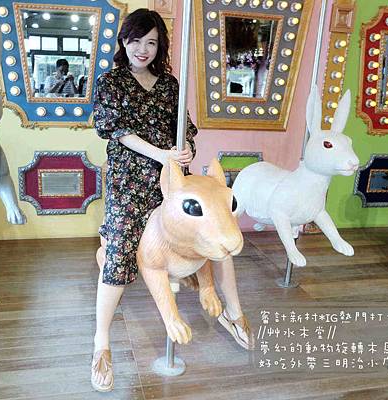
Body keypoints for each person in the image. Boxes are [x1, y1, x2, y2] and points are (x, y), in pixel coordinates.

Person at [91, 8, 253, 392]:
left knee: (215, 234)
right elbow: (118, 132)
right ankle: (101, 343)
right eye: (136, 40)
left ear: (160, 45)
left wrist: (184, 151)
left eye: (151, 42)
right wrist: (162, 154)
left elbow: (185, 131)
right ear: (123, 41)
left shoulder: (169, 84)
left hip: (173, 180)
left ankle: (234, 312)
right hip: (131, 183)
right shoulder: (111, 82)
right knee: (119, 251)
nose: (143, 49)